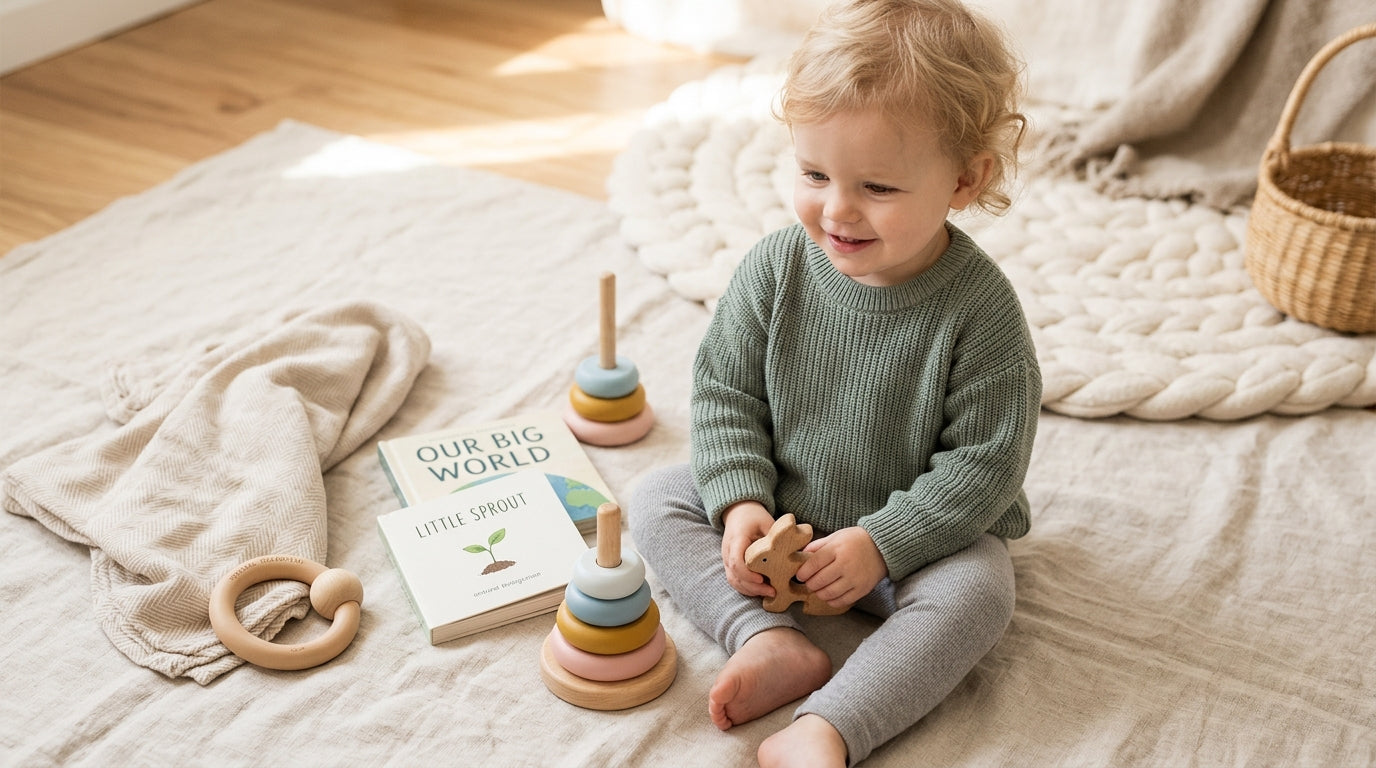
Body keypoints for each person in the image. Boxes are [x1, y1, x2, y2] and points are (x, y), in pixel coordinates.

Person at [628, 0, 1040, 765]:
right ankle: (767, 638)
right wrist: (742, 499)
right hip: (782, 511)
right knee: (655, 497)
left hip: (907, 545)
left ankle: (832, 723)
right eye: (814, 173)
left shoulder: (980, 311)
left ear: (965, 178)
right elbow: (725, 394)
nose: (837, 209)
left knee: (981, 590)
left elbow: (987, 464)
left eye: (878, 188)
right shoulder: (775, 268)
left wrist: (882, 546)